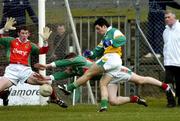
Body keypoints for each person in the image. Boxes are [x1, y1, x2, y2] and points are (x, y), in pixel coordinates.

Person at [34, 53, 176, 112]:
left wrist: (47, 65)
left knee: (140, 80)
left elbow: (63, 63)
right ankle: (135, 99)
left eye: (69, 64)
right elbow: (61, 74)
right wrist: (48, 78)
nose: (68, 68)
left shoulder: (80, 60)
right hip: (108, 79)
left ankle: (165, 87)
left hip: (116, 71)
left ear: (73, 60)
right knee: (113, 101)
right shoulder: (74, 70)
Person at [0, 17, 52, 106]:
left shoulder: (30, 45)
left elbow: (43, 51)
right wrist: (4, 29)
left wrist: (45, 41)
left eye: (26, 33)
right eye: (22, 33)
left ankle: (55, 99)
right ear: (18, 33)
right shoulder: (11, 41)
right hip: (12, 70)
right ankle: (4, 95)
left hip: (25, 70)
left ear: (29, 34)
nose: (24, 35)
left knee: (46, 82)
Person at [163, 10, 180, 107]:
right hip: (169, 62)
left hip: (179, 61)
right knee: (168, 83)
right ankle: (171, 102)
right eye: (165, 18)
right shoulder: (165, 31)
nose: (166, 19)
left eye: (169, 17)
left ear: (174, 17)